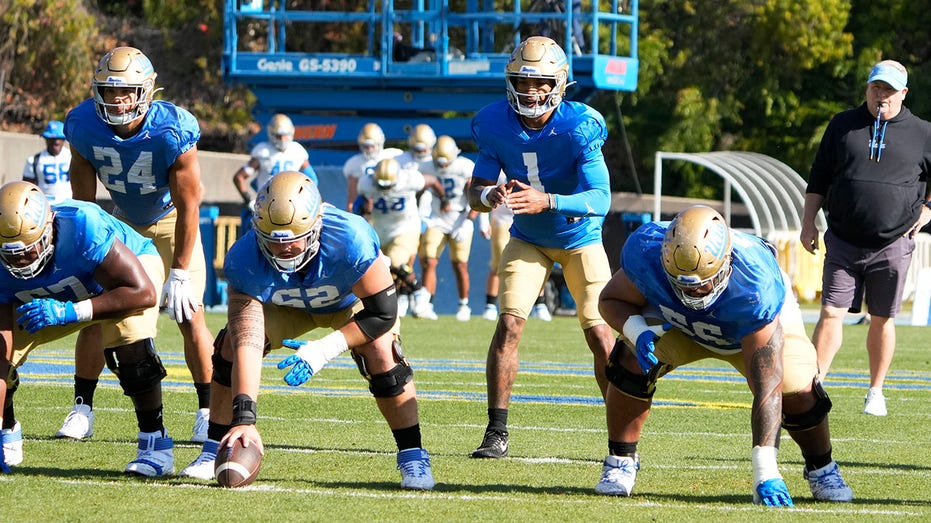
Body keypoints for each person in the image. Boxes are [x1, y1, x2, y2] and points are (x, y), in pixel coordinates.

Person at [179, 172, 434, 490]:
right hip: (288, 306)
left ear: (316, 224)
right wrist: (245, 418)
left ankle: (412, 455)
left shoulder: (350, 238)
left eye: (292, 238)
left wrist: (324, 349)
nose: (283, 248)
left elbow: (382, 313)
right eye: (273, 239)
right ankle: (213, 449)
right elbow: (248, 339)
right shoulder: (244, 257)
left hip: (347, 302)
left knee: (383, 355)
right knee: (230, 346)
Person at [597, 205, 853, 505]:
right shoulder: (647, 253)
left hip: (743, 327)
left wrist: (765, 470)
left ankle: (822, 467)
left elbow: (767, 389)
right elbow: (610, 299)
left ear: (726, 262)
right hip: (677, 323)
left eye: (703, 282)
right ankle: (620, 460)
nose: (694, 293)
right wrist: (638, 331)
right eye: (682, 283)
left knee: (798, 389)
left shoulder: (755, 286)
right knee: (629, 361)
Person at [466, 36, 615, 458]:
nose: (530, 91)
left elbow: (601, 198)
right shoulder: (493, 122)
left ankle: (620, 435)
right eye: (522, 81)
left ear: (559, 83)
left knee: (601, 337)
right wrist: (488, 197)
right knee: (509, 324)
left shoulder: (580, 124)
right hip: (529, 239)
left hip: (578, 239)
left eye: (540, 82)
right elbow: (474, 192)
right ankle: (496, 432)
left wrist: (547, 200)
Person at [63, 46, 214, 443]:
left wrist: (180, 270)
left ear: (147, 90)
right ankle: (82, 408)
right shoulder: (82, 124)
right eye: (110, 91)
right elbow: (83, 202)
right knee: (99, 313)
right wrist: (85, 248)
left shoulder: (172, 128)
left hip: (171, 221)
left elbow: (190, 205)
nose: (118, 99)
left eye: (128, 91)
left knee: (189, 313)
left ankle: (207, 408)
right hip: (123, 222)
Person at [0, 181, 174, 476]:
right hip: (54, 292)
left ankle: (155, 443)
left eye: (29, 251)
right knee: (4, 358)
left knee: (130, 340)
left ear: (49, 228)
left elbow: (142, 292)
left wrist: (71, 311)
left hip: (123, 278)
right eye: (11, 255)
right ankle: (6, 430)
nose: (20, 262)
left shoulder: (82, 225)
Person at [800, 59, 931, 417]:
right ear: (867, 89)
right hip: (842, 238)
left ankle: (876, 391)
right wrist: (808, 222)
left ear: (903, 93)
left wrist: (928, 209)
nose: (881, 95)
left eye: (889, 90)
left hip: (892, 243)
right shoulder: (843, 124)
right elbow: (819, 176)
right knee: (830, 312)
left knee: (883, 318)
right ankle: (813, 386)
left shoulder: (922, 133)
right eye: (876, 88)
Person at [356, 158, 445, 320]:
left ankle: (419, 292)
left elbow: (432, 180)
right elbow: (358, 206)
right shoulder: (366, 183)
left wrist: (443, 199)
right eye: (381, 185)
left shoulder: (410, 179)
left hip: (405, 227)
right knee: (383, 269)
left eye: (388, 185)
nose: (385, 189)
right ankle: (404, 296)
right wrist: (364, 209)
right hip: (380, 230)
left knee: (396, 262)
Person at [418, 135, 479, 321]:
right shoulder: (426, 166)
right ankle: (426, 303)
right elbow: (418, 191)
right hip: (437, 219)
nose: (442, 166)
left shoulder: (465, 167)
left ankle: (463, 304)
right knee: (429, 260)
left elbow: (476, 196)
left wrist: (469, 220)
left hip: (460, 218)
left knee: (460, 264)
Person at [478, 173, 552, 323]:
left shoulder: (531, 166)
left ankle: (540, 304)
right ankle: (491, 305)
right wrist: (483, 220)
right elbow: (484, 191)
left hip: (527, 219)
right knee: (498, 262)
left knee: (536, 263)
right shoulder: (499, 170)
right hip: (501, 220)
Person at [232, 113, 317, 234]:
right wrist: (249, 200)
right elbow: (239, 177)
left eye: (285, 136)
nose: (282, 140)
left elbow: (312, 180)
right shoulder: (263, 151)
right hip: (266, 207)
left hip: (292, 207)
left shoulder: (297, 151)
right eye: (278, 136)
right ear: (271, 134)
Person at [342, 122, 403, 211]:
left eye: (372, 146)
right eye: (366, 146)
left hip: (395, 204)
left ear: (380, 143)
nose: (369, 149)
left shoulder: (396, 156)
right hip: (370, 208)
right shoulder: (354, 164)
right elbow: (351, 201)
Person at [22, 120, 72, 204]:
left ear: (64, 139)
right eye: (52, 139)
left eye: (59, 138)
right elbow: (27, 189)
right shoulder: (34, 160)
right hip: (45, 206)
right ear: (45, 138)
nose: (56, 142)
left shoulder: (72, 158)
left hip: (69, 205)